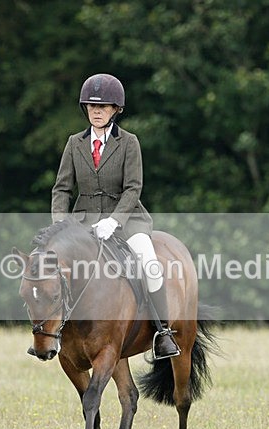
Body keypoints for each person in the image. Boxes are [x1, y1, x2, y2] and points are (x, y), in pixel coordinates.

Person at [50, 73, 180, 359]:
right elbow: (62, 188)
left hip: (127, 221)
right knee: (53, 269)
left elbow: (134, 188)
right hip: (82, 224)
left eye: (104, 106)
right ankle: (55, 333)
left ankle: (163, 332)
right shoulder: (74, 144)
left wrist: (114, 221)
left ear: (116, 110)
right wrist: (60, 222)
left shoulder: (129, 142)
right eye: (92, 106)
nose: (97, 112)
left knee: (149, 262)